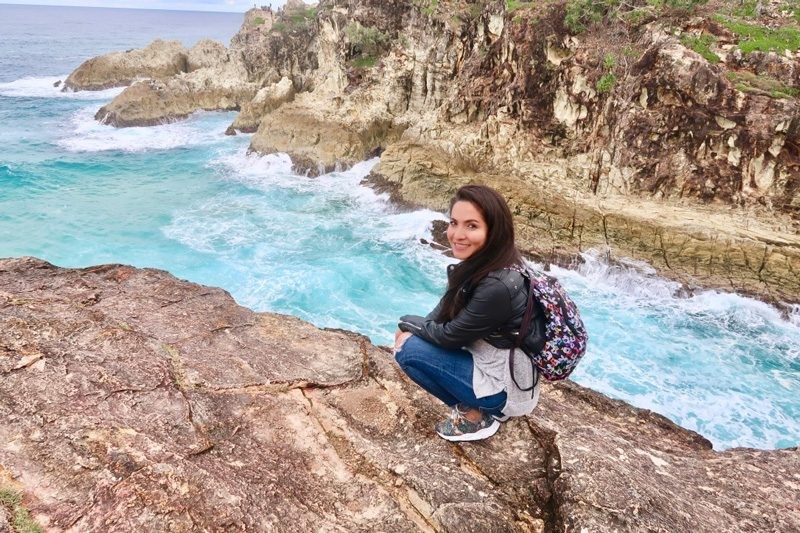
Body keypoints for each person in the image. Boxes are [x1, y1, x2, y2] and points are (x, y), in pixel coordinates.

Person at [394, 184, 542, 442]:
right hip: (500, 369)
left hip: (507, 391)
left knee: (409, 351)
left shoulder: (497, 285)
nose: (457, 234)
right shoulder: (484, 265)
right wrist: (414, 326)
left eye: (471, 226)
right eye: (453, 223)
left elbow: (450, 336)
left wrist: (408, 325)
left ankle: (478, 417)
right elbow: (440, 314)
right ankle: (477, 405)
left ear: (493, 231)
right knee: (410, 338)